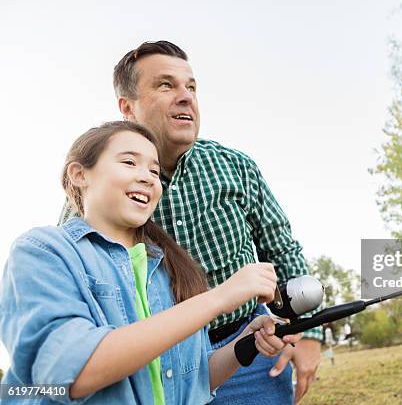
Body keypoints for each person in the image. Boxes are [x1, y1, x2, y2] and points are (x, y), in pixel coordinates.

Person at [60, 40, 322, 404]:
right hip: (157, 368)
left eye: (192, 87)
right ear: (127, 108)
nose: (186, 97)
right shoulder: (95, 198)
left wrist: (309, 334)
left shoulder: (236, 166)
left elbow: (282, 248)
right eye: (166, 85)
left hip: (249, 351)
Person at [0, 121, 301, 404]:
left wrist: (243, 344)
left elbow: (192, 379)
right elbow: (70, 374)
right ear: (80, 174)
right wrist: (220, 298)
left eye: (154, 171)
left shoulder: (167, 269)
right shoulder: (43, 251)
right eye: (129, 162)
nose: (147, 177)